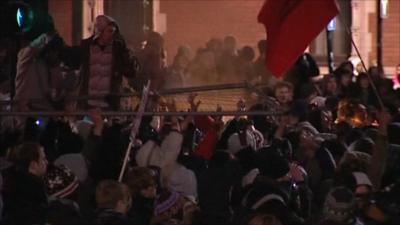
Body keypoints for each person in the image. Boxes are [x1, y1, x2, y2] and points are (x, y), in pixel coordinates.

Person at [79, 15, 138, 110]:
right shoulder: (87, 47)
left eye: (114, 32)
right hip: (89, 103)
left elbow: (131, 72)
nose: (112, 35)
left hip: (109, 104)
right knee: (87, 123)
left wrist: (124, 52)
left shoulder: (118, 50)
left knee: (107, 124)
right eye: (109, 31)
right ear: (100, 31)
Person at [1, 142, 48, 225]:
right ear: (33, 165)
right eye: (43, 159)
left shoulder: (11, 183)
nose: (47, 162)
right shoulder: (32, 192)